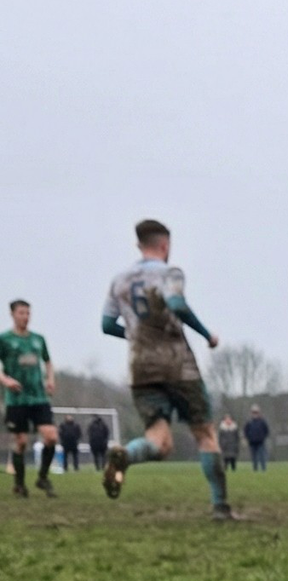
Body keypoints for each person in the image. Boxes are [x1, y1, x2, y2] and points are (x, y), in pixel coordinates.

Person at [100, 221, 232, 519]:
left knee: (158, 442)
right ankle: (220, 507)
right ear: (165, 245)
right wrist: (206, 334)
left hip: (140, 368)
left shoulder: (118, 280)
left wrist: (133, 334)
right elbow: (176, 303)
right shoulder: (170, 273)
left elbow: (107, 325)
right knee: (205, 434)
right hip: (177, 364)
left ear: (139, 245)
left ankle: (126, 455)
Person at [1, 299, 59, 499]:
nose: (25, 317)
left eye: (27, 313)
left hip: (38, 397)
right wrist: (5, 380)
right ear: (13, 314)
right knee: (21, 442)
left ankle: (42, 477)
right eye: (21, 313)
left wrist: (50, 380)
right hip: (16, 400)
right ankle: (19, 484)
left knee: (51, 437)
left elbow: (48, 361)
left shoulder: (38, 339)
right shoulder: (5, 339)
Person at [243, 405, 270, 471]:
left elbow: (267, 431)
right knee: (254, 457)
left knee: (262, 457)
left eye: (256, 412)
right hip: (252, 442)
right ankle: (255, 469)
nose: (255, 414)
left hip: (261, 442)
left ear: (259, 413)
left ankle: (263, 469)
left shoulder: (262, 422)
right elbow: (245, 431)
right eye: (253, 412)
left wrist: (263, 437)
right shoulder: (249, 422)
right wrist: (248, 438)